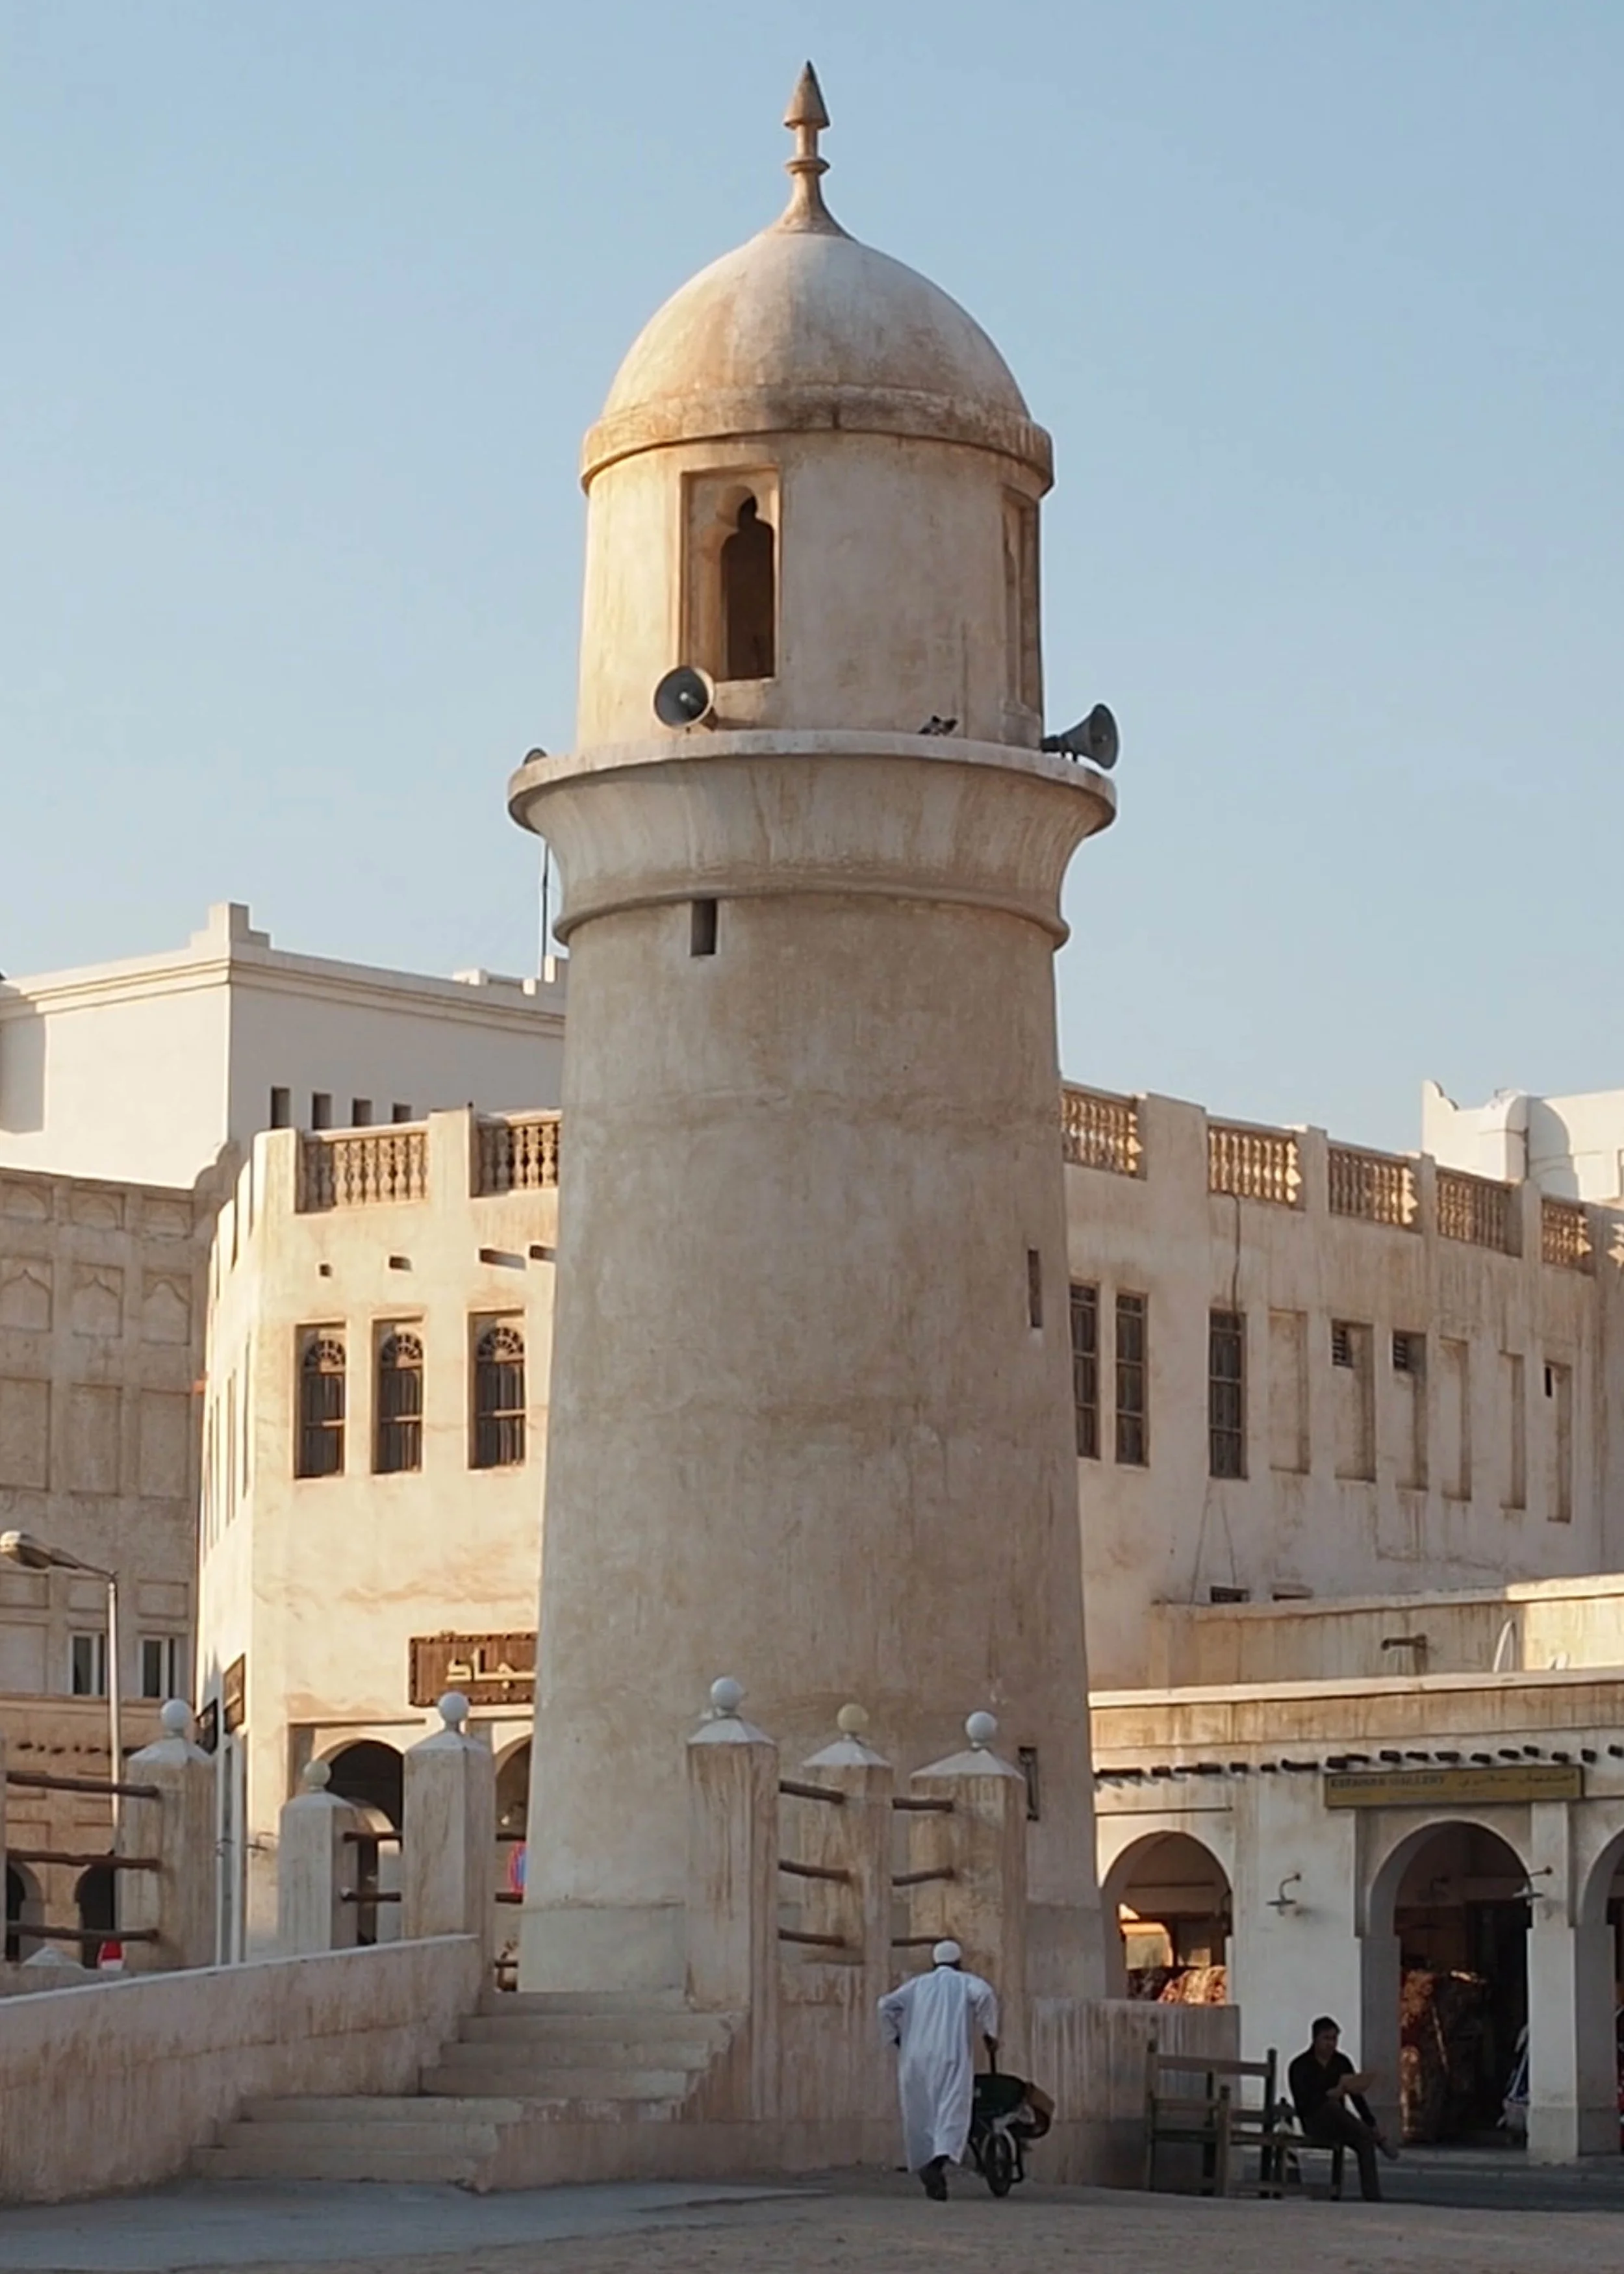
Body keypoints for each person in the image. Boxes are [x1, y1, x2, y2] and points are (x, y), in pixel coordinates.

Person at [878, 1939, 999, 2199]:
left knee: (923, 2113)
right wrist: (989, 2033)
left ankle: (926, 2163)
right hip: (950, 2055)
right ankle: (936, 2165)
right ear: (958, 1962)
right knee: (951, 2111)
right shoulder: (965, 1982)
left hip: (915, 2057)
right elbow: (986, 1996)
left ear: (934, 1962)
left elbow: (884, 2005)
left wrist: (895, 2037)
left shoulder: (917, 1985)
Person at [1288, 2015, 1400, 2202]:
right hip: (1315, 2122)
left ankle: (1373, 2196)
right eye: (1327, 2039)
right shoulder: (1300, 2065)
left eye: (1334, 2039)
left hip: (1342, 2124)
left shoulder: (1341, 2062)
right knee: (1332, 2107)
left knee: (1363, 2141)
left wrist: (1370, 2121)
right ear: (1315, 2039)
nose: (1331, 2044)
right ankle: (1376, 2139)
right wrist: (1331, 2094)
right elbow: (1304, 2102)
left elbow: (1356, 2096)